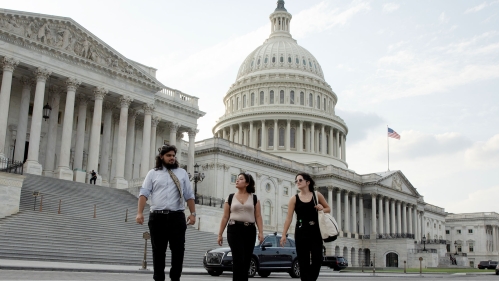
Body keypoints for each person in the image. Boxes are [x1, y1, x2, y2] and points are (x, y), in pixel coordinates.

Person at [136, 145, 196, 281]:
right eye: (169, 155)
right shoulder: (153, 173)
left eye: (174, 156)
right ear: (162, 157)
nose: (172, 158)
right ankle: (158, 278)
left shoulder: (182, 173)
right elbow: (144, 194)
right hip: (157, 217)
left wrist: (193, 214)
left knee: (178, 251)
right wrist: (139, 213)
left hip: (177, 217)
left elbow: (189, 195)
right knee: (158, 251)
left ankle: (175, 278)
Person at [280, 173, 331, 281]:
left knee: (318, 259)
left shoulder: (317, 195)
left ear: (307, 182)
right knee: (303, 262)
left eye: (300, 180)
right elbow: (288, 218)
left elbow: (328, 209)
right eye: (296, 181)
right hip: (301, 231)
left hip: (315, 231)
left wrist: (322, 208)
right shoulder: (294, 199)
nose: (297, 182)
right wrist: (283, 234)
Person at [217, 172, 264, 281]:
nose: (237, 180)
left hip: (250, 231)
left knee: (246, 260)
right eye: (237, 179)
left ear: (247, 183)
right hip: (234, 230)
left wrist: (261, 232)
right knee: (238, 259)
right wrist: (220, 234)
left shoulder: (254, 198)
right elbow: (225, 216)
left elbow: (258, 216)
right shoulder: (230, 197)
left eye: (241, 179)